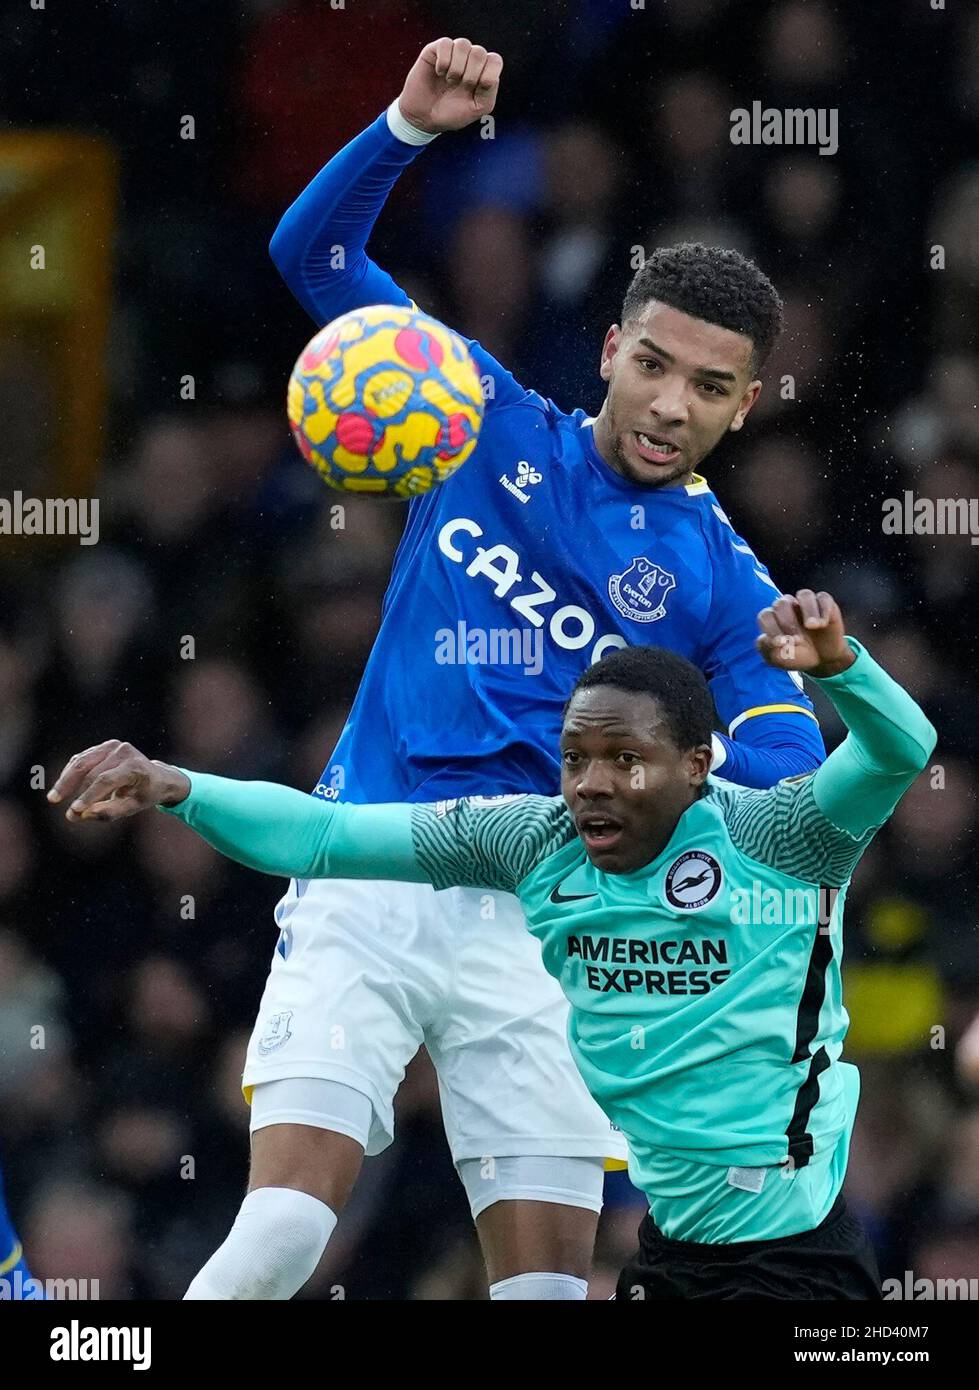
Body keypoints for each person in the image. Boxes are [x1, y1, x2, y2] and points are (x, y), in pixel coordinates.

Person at [166, 37, 827, 1301]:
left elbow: (788, 781)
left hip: (546, 921)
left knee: (545, 1295)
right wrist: (404, 130)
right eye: (653, 364)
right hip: (369, 856)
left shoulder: (725, 586)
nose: (670, 404)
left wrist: (732, 830)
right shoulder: (471, 409)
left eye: (708, 387)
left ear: (743, 409)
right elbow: (311, 259)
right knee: (285, 1235)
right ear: (610, 353)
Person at [50, 590, 935, 1299]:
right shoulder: (532, 839)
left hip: (797, 1261)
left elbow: (902, 750)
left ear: (696, 765)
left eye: (623, 760)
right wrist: (179, 786)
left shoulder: (782, 837)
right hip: (673, 1257)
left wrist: (844, 669)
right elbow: (322, 839)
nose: (590, 784)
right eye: (574, 757)